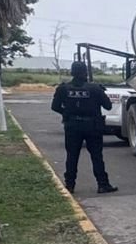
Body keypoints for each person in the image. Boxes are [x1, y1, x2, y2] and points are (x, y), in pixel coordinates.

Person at [50, 60, 118, 194]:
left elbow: (54, 107)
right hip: (92, 126)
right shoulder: (95, 88)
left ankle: (70, 185)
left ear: (72, 72)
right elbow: (108, 106)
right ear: (85, 72)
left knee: (72, 155)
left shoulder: (63, 88)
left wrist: (67, 114)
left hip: (72, 126)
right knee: (96, 156)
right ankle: (102, 184)